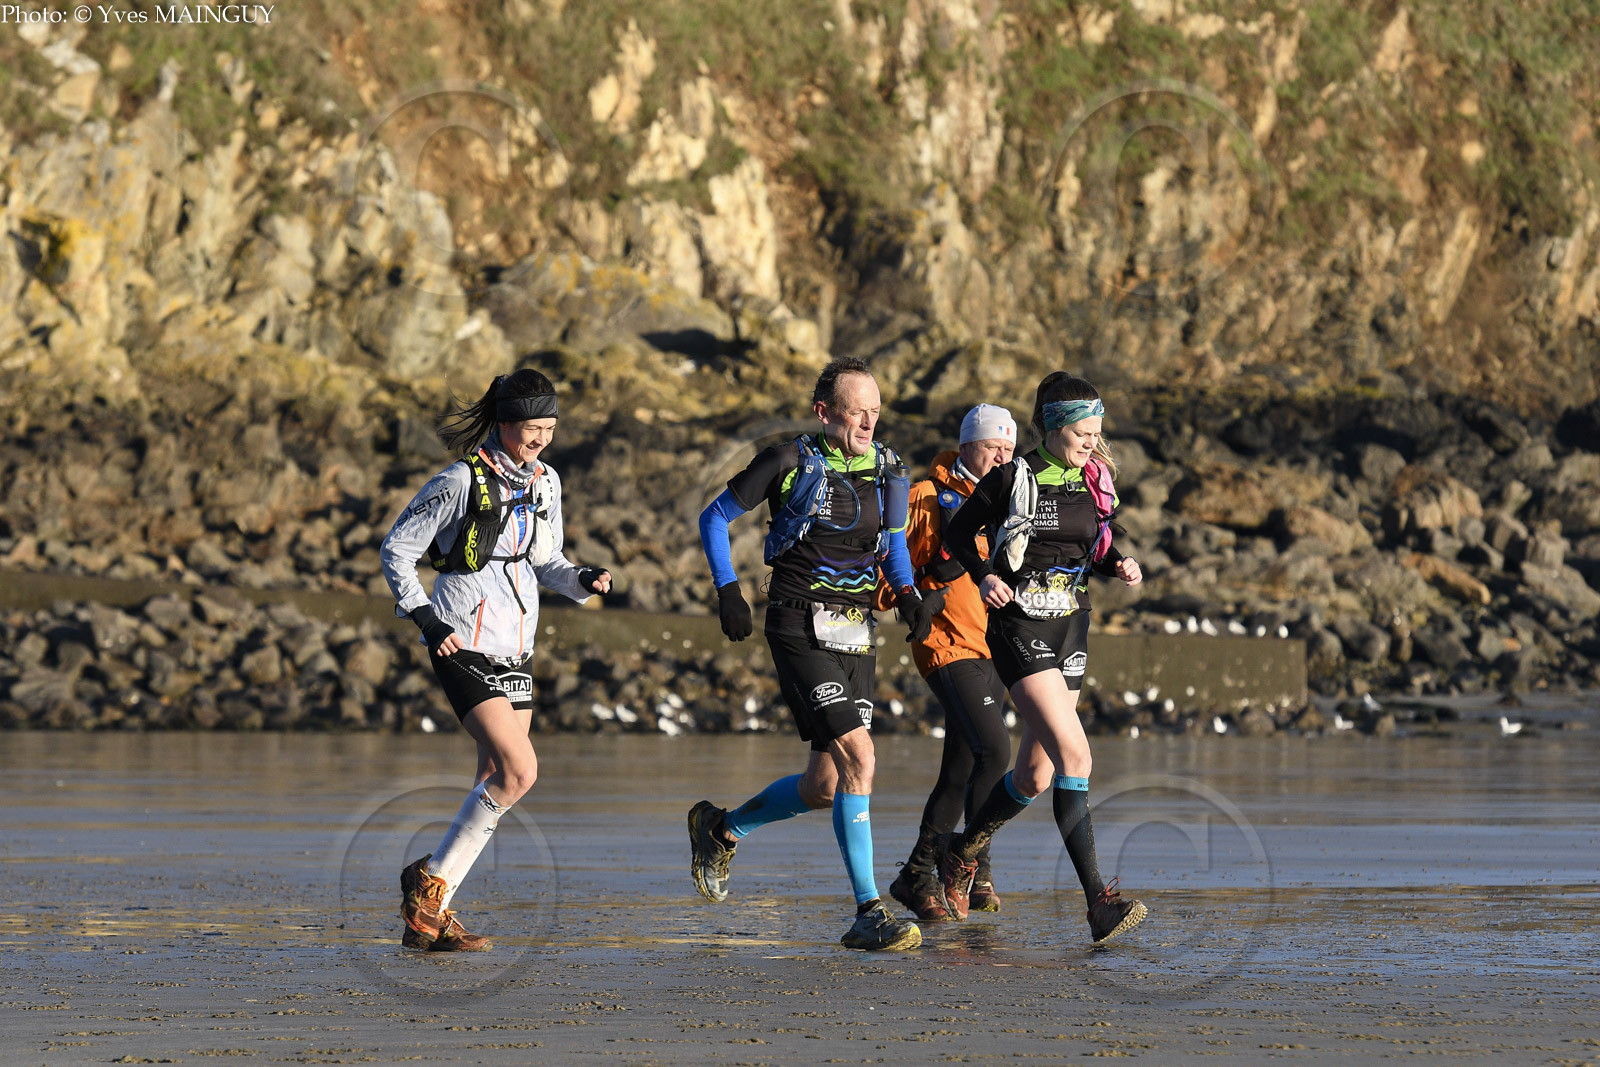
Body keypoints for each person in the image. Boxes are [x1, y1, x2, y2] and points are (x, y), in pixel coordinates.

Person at [690, 356, 938, 952]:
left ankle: (721, 829)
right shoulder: (786, 461)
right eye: (857, 412)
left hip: (856, 631)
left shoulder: (890, 470)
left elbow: (893, 546)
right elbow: (715, 517)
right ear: (824, 411)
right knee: (861, 756)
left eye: (876, 412)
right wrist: (728, 589)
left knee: (827, 783)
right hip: (798, 623)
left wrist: (907, 595)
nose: (869, 423)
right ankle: (869, 911)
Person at [379, 368, 612, 952]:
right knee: (520, 772)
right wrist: (426, 619)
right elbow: (397, 550)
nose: (541, 439)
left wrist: (581, 579)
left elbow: (547, 561)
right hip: (460, 640)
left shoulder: (547, 482)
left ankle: (429, 915)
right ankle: (428, 884)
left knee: (492, 779)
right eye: (532, 428)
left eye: (550, 429)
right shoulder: (458, 480)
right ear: (505, 423)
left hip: (518, 646)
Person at [932, 372, 1149, 944]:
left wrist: (1119, 563)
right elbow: (957, 536)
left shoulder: (1093, 479)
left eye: (1097, 433)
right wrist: (984, 576)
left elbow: (1094, 545)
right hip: (1018, 626)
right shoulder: (1011, 478)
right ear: (1053, 428)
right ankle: (1099, 902)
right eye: (1082, 433)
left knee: (1036, 773)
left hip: (1070, 625)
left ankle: (960, 852)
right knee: (1076, 754)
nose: (1092, 443)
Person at [880, 404, 1018, 922]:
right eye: (991, 448)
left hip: (993, 646)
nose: (1001, 458)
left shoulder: (1011, 502)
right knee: (995, 751)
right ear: (965, 447)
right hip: (945, 644)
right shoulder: (925, 497)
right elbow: (888, 574)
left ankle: (918, 876)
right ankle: (971, 864)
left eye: (1008, 450)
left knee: (961, 768)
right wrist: (921, 592)